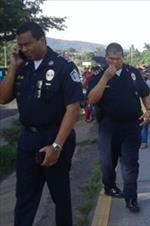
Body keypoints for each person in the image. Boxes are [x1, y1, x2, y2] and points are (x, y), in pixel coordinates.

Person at [0, 21, 84, 226]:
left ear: (42, 40)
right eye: (20, 45)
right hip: (28, 140)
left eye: (28, 44)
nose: (24, 49)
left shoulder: (63, 67)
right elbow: (3, 99)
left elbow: (73, 109)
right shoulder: (22, 67)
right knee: (25, 198)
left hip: (56, 138)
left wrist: (57, 146)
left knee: (60, 198)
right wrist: (13, 68)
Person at [87, 42, 150, 213]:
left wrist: (149, 111)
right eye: (111, 59)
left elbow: (145, 93)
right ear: (106, 57)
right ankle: (109, 186)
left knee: (130, 164)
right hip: (109, 127)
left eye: (118, 59)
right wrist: (105, 78)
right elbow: (92, 99)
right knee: (108, 163)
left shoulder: (133, 73)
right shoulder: (100, 74)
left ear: (123, 57)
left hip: (131, 126)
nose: (114, 62)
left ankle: (131, 198)